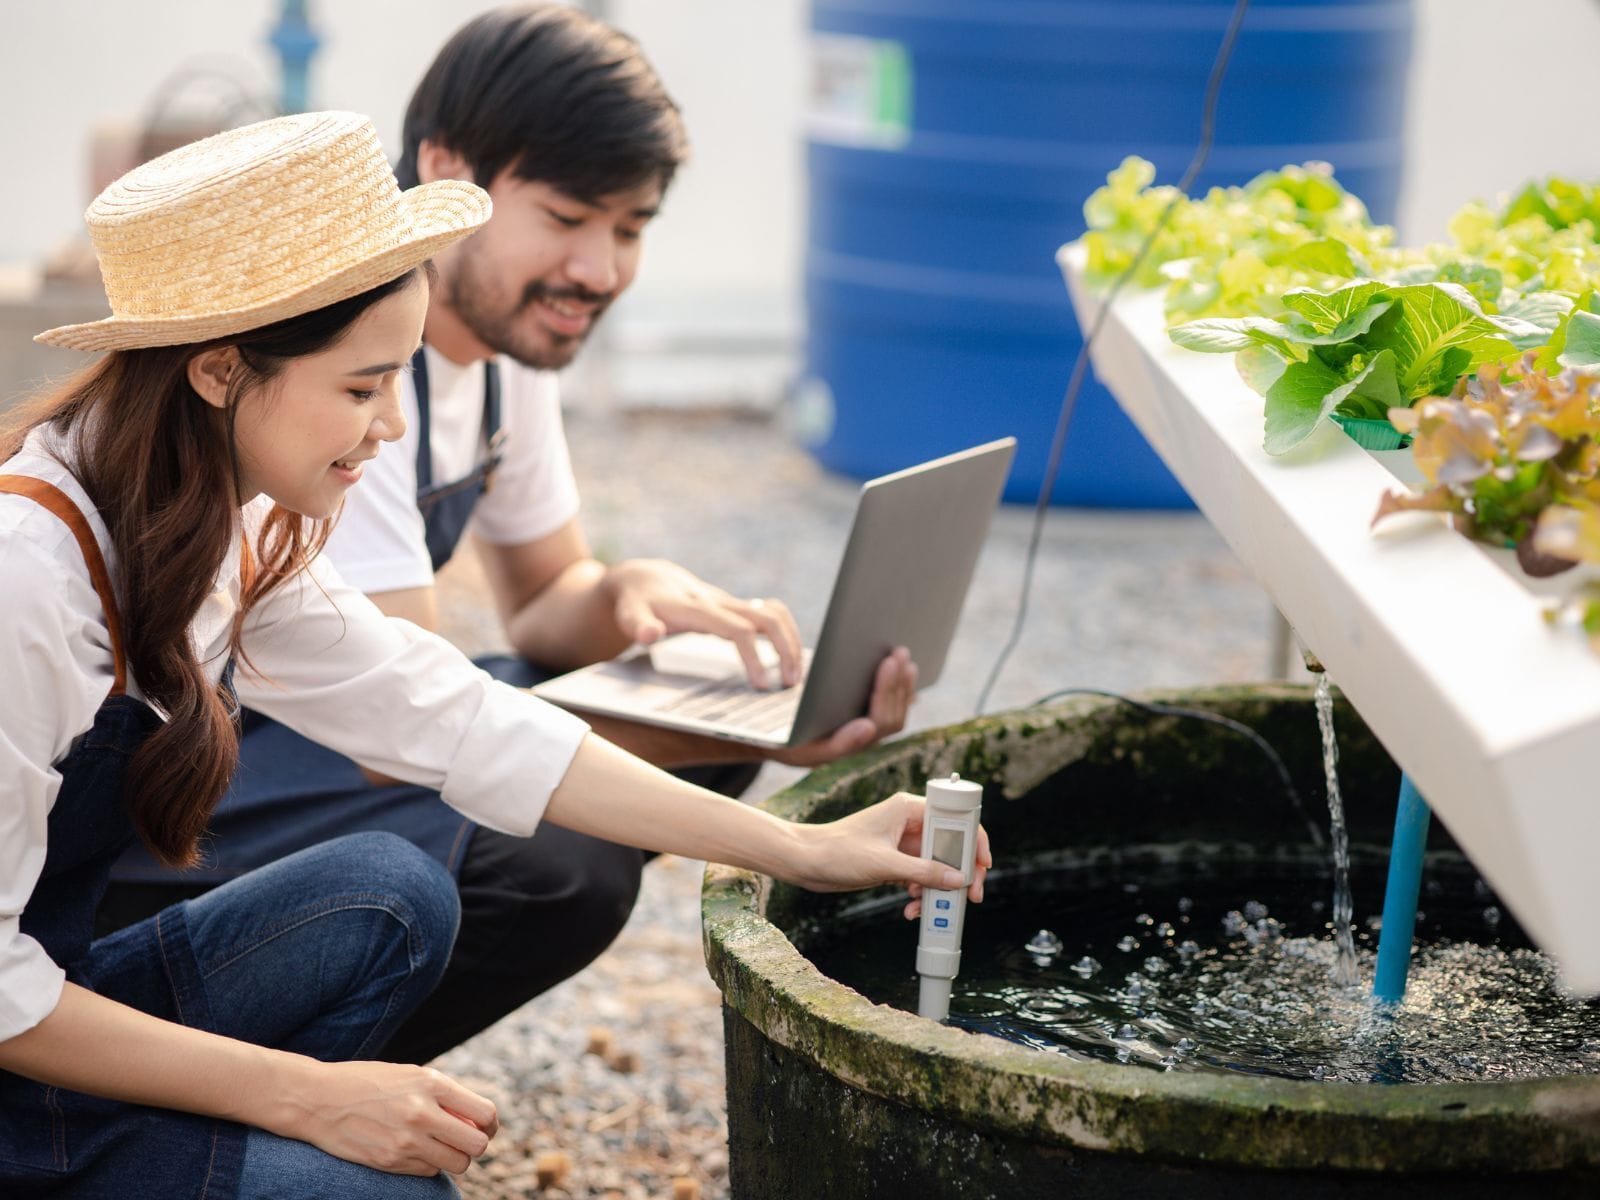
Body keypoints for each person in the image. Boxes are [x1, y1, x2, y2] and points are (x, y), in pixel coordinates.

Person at [0, 111, 987, 1198]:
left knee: (390, 892)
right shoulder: (29, 584)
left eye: (397, 383)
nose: (388, 431)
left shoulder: (216, 523)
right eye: (362, 388)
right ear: (220, 371)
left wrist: (795, 850)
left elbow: (462, 718)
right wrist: (304, 1095)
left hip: (56, 998)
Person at [102, 2, 921, 1065]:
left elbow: (515, 626)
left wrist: (642, 604)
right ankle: (276, 1075)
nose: (600, 268)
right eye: (570, 216)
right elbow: (404, 729)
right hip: (215, 788)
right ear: (445, 173)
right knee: (559, 865)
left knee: (646, 757)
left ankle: (286, 1086)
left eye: (630, 229)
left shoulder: (494, 357)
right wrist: (756, 737)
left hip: (339, 721)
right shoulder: (314, 410)